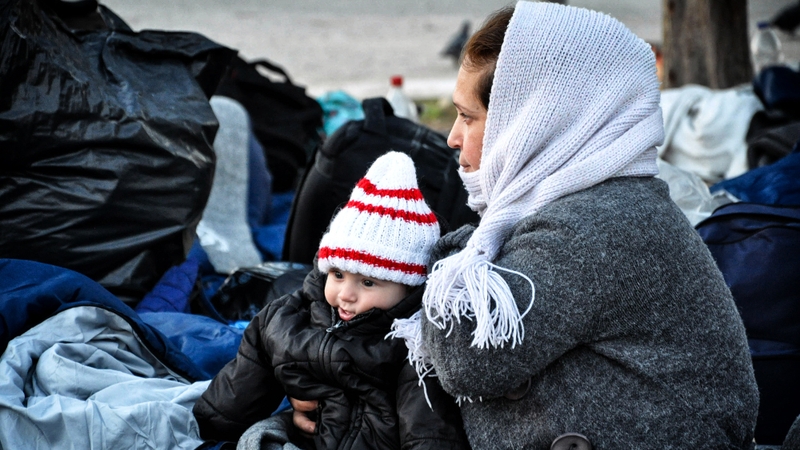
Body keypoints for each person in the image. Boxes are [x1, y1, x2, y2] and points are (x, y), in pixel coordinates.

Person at [390, 2, 759, 449]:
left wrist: (453, 250)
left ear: (529, 124)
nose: (451, 137)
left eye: (468, 117)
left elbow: (467, 359)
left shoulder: (595, 226)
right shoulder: (599, 201)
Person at [192, 151, 469, 450]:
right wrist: (213, 423)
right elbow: (247, 373)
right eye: (337, 274)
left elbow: (429, 434)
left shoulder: (412, 349)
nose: (346, 294)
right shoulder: (291, 318)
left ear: (408, 288)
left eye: (367, 282)